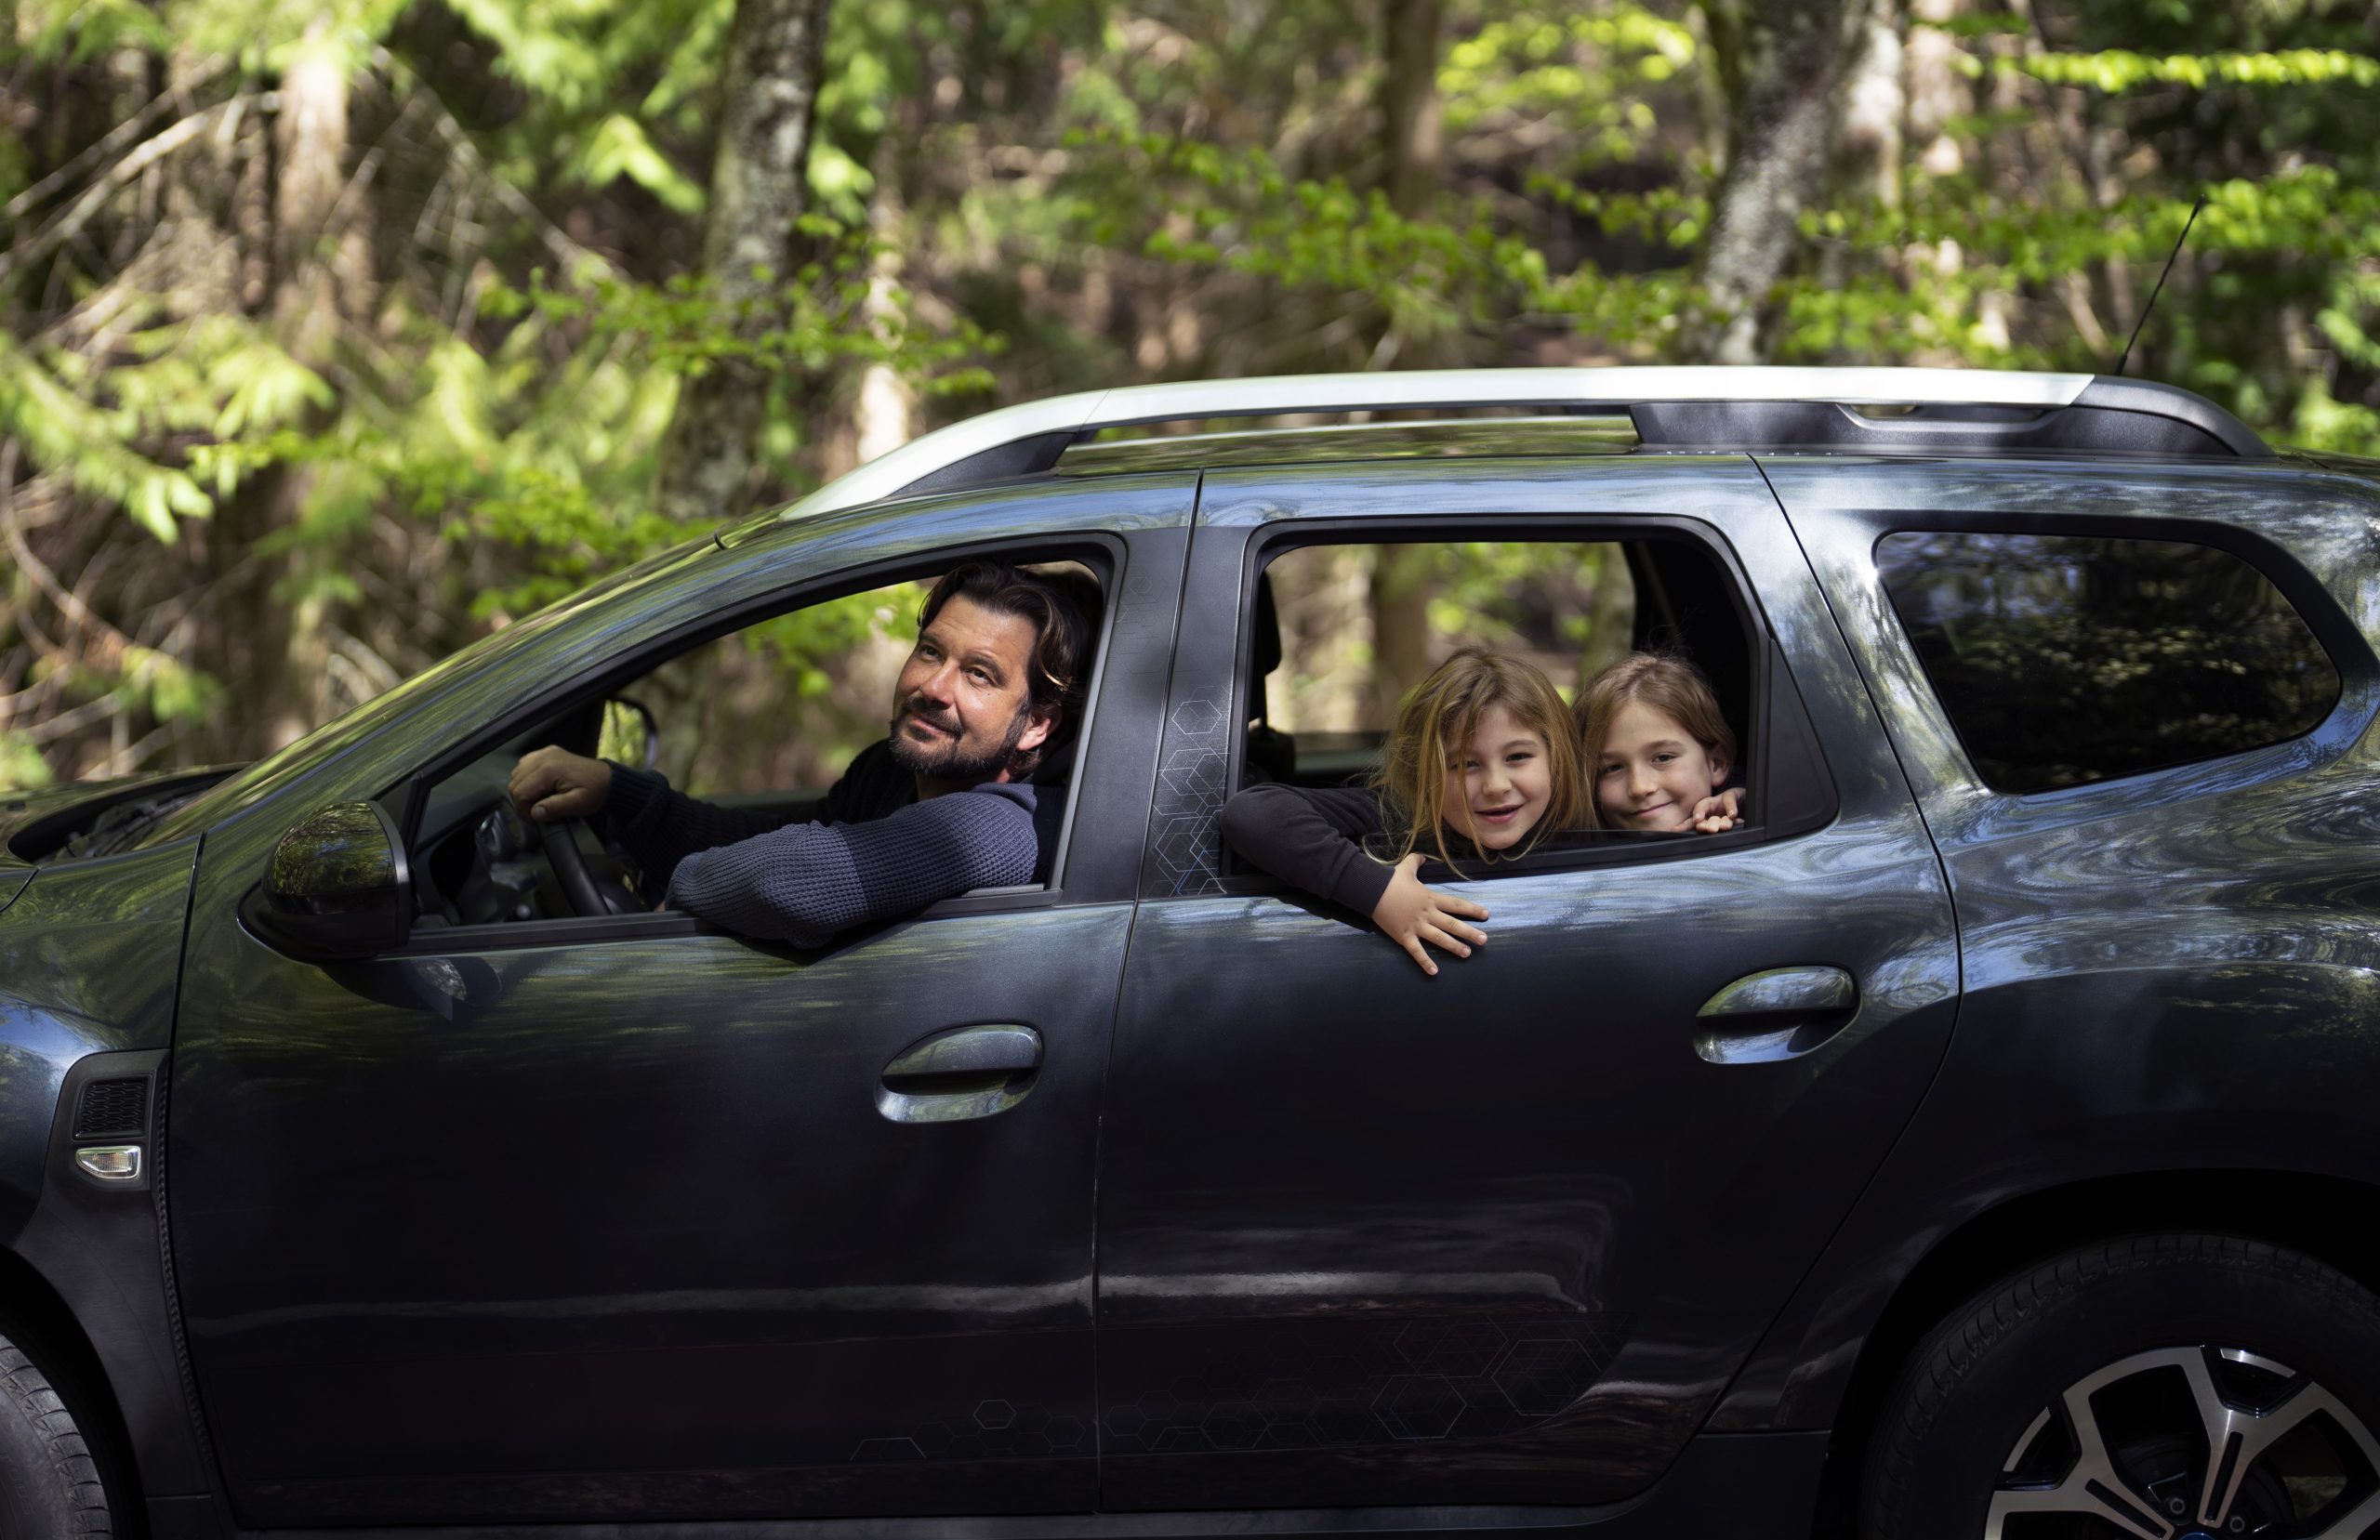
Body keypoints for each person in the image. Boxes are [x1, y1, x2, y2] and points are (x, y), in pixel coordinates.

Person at [506, 560, 1093, 947]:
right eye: (931, 651)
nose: (934, 687)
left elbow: (796, 878)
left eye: (979, 675)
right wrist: (620, 793)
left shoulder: (1009, 829)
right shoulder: (891, 770)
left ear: (1035, 725)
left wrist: (684, 893)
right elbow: (778, 839)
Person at [1220, 648, 1587, 976]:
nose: (1496, 785)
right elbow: (1252, 812)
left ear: (1557, 758)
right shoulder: (1396, 821)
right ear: (1423, 773)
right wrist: (1380, 893)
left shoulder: (1583, 825)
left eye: (1517, 757)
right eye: (1464, 765)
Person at [1573, 651, 1740, 834]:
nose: (1639, 788)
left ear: (1716, 763)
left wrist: (1745, 805)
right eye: (1613, 768)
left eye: (1663, 758)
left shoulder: (1746, 818)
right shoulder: (1580, 844)